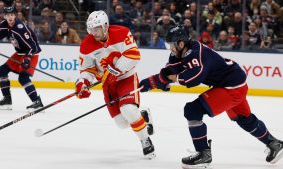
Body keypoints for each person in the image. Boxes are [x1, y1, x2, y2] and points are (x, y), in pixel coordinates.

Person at [139, 25, 283, 168]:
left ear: (181, 43)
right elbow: (168, 72)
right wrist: (149, 83)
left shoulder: (197, 53)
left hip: (231, 87)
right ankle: (274, 143)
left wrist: (173, 79)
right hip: (233, 82)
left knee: (192, 110)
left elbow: (193, 79)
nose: (169, 48)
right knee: (243, 118)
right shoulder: (178, 53)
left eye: (170, 45)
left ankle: (203, 154)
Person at [75, 10, 155, 159]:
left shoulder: (122, 33)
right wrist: (83, 82)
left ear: (105, 26)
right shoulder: (86, 45)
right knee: (122, 124)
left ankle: (145, 139)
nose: (94, 32)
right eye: (91, 29)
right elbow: (87, 69)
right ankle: (143, 116)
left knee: (129, 110)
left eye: (96, 28)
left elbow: (133, 55)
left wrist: (114, 71)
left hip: (126, 78)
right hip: (108, 85)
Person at [0, 4, 43, 111]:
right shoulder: (3, 25)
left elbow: (33, 46)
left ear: (15, 15)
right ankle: (7, 100)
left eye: (12, 15)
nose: (10, 17)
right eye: (8, 15)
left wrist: (27, 58)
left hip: (31, 53)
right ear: (4, 16)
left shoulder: (20, 28)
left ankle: (37, 101)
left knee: (23, 78)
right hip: (20, 53)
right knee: (1, 71)